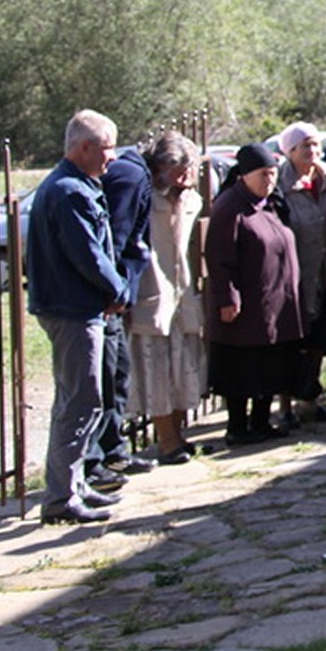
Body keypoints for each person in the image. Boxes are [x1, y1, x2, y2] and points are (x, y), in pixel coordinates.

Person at [27, 110, 128, 524]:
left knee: (79, 398)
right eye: (106, 149)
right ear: (83, 148)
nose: (111, 158)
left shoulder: (73, 185)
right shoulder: (69, 191)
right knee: (81, 401)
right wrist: (118, 289)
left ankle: (73, 484)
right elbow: (89, 254)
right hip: (72, 310)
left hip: (74, 306)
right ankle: (61, 498)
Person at [205, 141, 307, 447]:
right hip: (246, 306)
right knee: (242, 366)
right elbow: (219, 258)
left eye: (273, 173)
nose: (270, 180)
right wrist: (228, 298)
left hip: (276, 303)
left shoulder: (272, 204)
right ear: (244, 176)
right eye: (263, 174)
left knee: (271, 364)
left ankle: (262, 421)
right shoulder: (230, 208)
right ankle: (238, 426)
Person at [129, 131, 205, 465]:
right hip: (152, 289)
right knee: (155, 368)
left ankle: (178, 433)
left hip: (182, 290)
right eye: (178, 169)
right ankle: (166, 441)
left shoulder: (192, 201)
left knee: (183, 363)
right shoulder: (145, 199)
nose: (185, 176)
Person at [87, 140, 154, 487]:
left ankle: (113, 450)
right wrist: (119, 289)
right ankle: (97, 459)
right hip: (104, 298)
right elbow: (119, 234)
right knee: (104, 379)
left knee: (117, 374)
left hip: (113, 293)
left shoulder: (130, 172)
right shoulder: (131, 178)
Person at [277, 122, 326, 422]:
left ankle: (310, 399)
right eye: (305, 145)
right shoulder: (282, 185)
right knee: (294, 343)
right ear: (290, 151)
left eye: (315, 144)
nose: (312, 151)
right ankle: (284, 406)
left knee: (322, 335)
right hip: (297, 274)